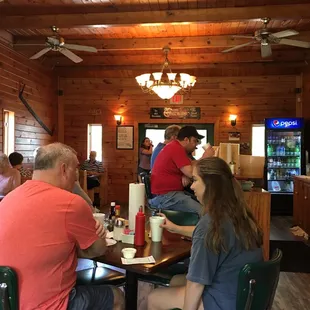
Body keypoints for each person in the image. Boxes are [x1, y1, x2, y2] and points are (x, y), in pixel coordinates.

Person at [0, 143, 124, 310]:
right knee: (117, 297)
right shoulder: (70, 203)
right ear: (64, 169)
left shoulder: (9, 198)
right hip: (49, 304)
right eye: (76, 170)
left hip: (7, 301)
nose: (76, 177)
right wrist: (99, 235)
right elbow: (98, 250)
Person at [148, 157, 263, 310]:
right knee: (176, 280)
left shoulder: (209, 224)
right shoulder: (238, 214)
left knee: (153, 298)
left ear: (210, 185)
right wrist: (175, 227)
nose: (192, 186)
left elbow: (196, 284)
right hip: (246, 296)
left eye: (195, 180)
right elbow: (206, 234)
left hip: (223, 302)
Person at [150, 126, 214, 214]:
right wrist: (205, 157)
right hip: (166, 196)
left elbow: (191, 165)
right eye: (195, 141)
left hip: (169, 194)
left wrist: (184, 173)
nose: (196, 145)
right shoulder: (176, 149)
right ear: (186, 139)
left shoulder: (175, 147)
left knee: (203, 202)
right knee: (204, 211)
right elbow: (192, 173)